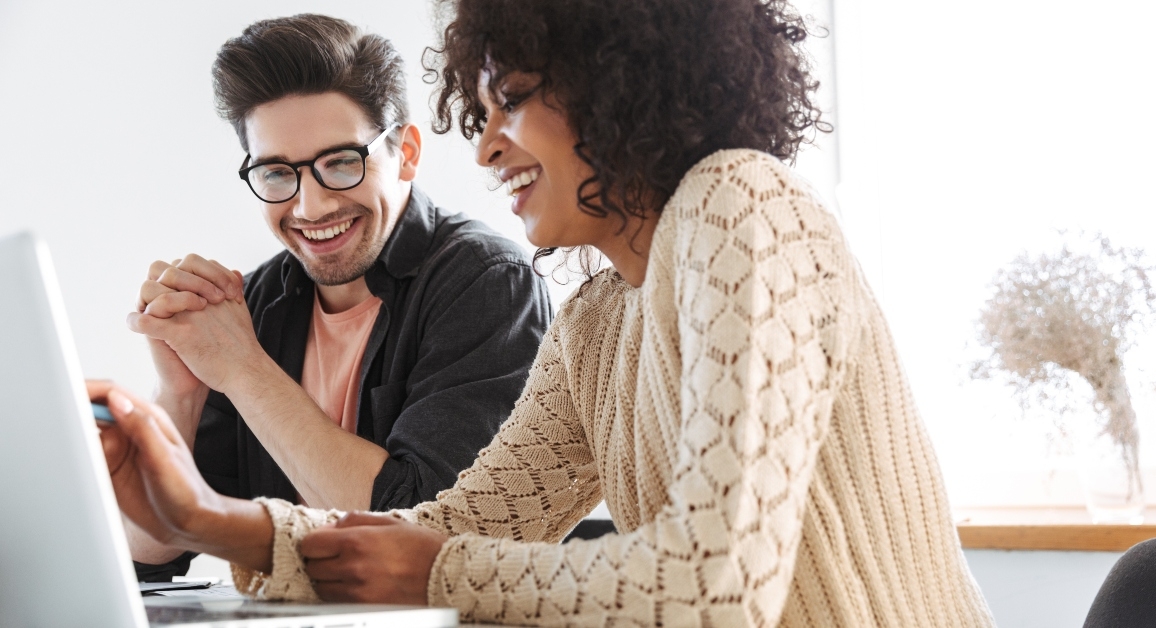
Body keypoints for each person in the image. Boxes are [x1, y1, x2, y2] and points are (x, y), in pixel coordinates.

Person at [94, 0, 996, 624]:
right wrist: (211, 521)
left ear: (619, 82)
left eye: (512, 100)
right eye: (479, 109)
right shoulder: (598, 318)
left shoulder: (739, 203)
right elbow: (456, 524)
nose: (485, 145)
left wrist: (439, 570)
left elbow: (717, 588)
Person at [123, 14, 552, 581]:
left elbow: (422, 539)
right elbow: (144, 550)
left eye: (341, 163)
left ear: (407, 152)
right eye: (277, 173)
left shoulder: (489, 282)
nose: (311, 207)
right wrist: (180, 395)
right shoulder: (255, 304)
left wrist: (245, 370)